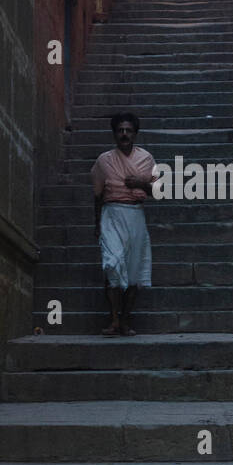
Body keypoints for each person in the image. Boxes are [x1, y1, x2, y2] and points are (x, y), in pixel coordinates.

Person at [91, 112, 158, 336]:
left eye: (128, 130)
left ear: (135, 134)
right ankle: (113, 320)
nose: (124, 134)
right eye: (120, 130)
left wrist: (142, 183)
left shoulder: (146, 159)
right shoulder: (104, 160)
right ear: (114, 134)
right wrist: (97, 223)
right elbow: (97, 195)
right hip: (111, 214)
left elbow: (161, 192)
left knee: (132, 272)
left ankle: (125, 320)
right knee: (112, 264)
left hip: (135, 215)